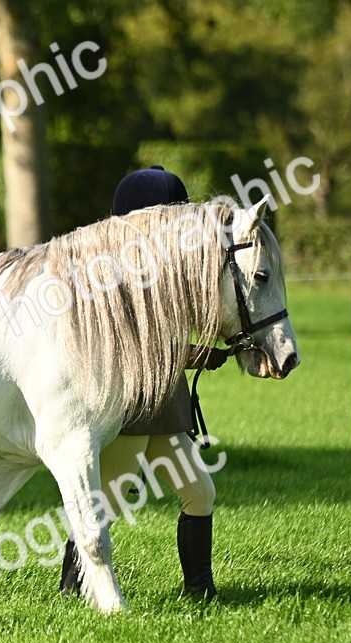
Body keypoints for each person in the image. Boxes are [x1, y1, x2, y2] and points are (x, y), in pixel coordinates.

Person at [59, 166, 228, 600]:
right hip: (130, 412)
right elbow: (136, 347)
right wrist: (193, 355)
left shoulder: (164, 271)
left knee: (200, 492)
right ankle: (73, 588)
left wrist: (197, 353)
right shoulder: (114, 277)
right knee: (105, 507)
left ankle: (200, 593)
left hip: (166, 412)